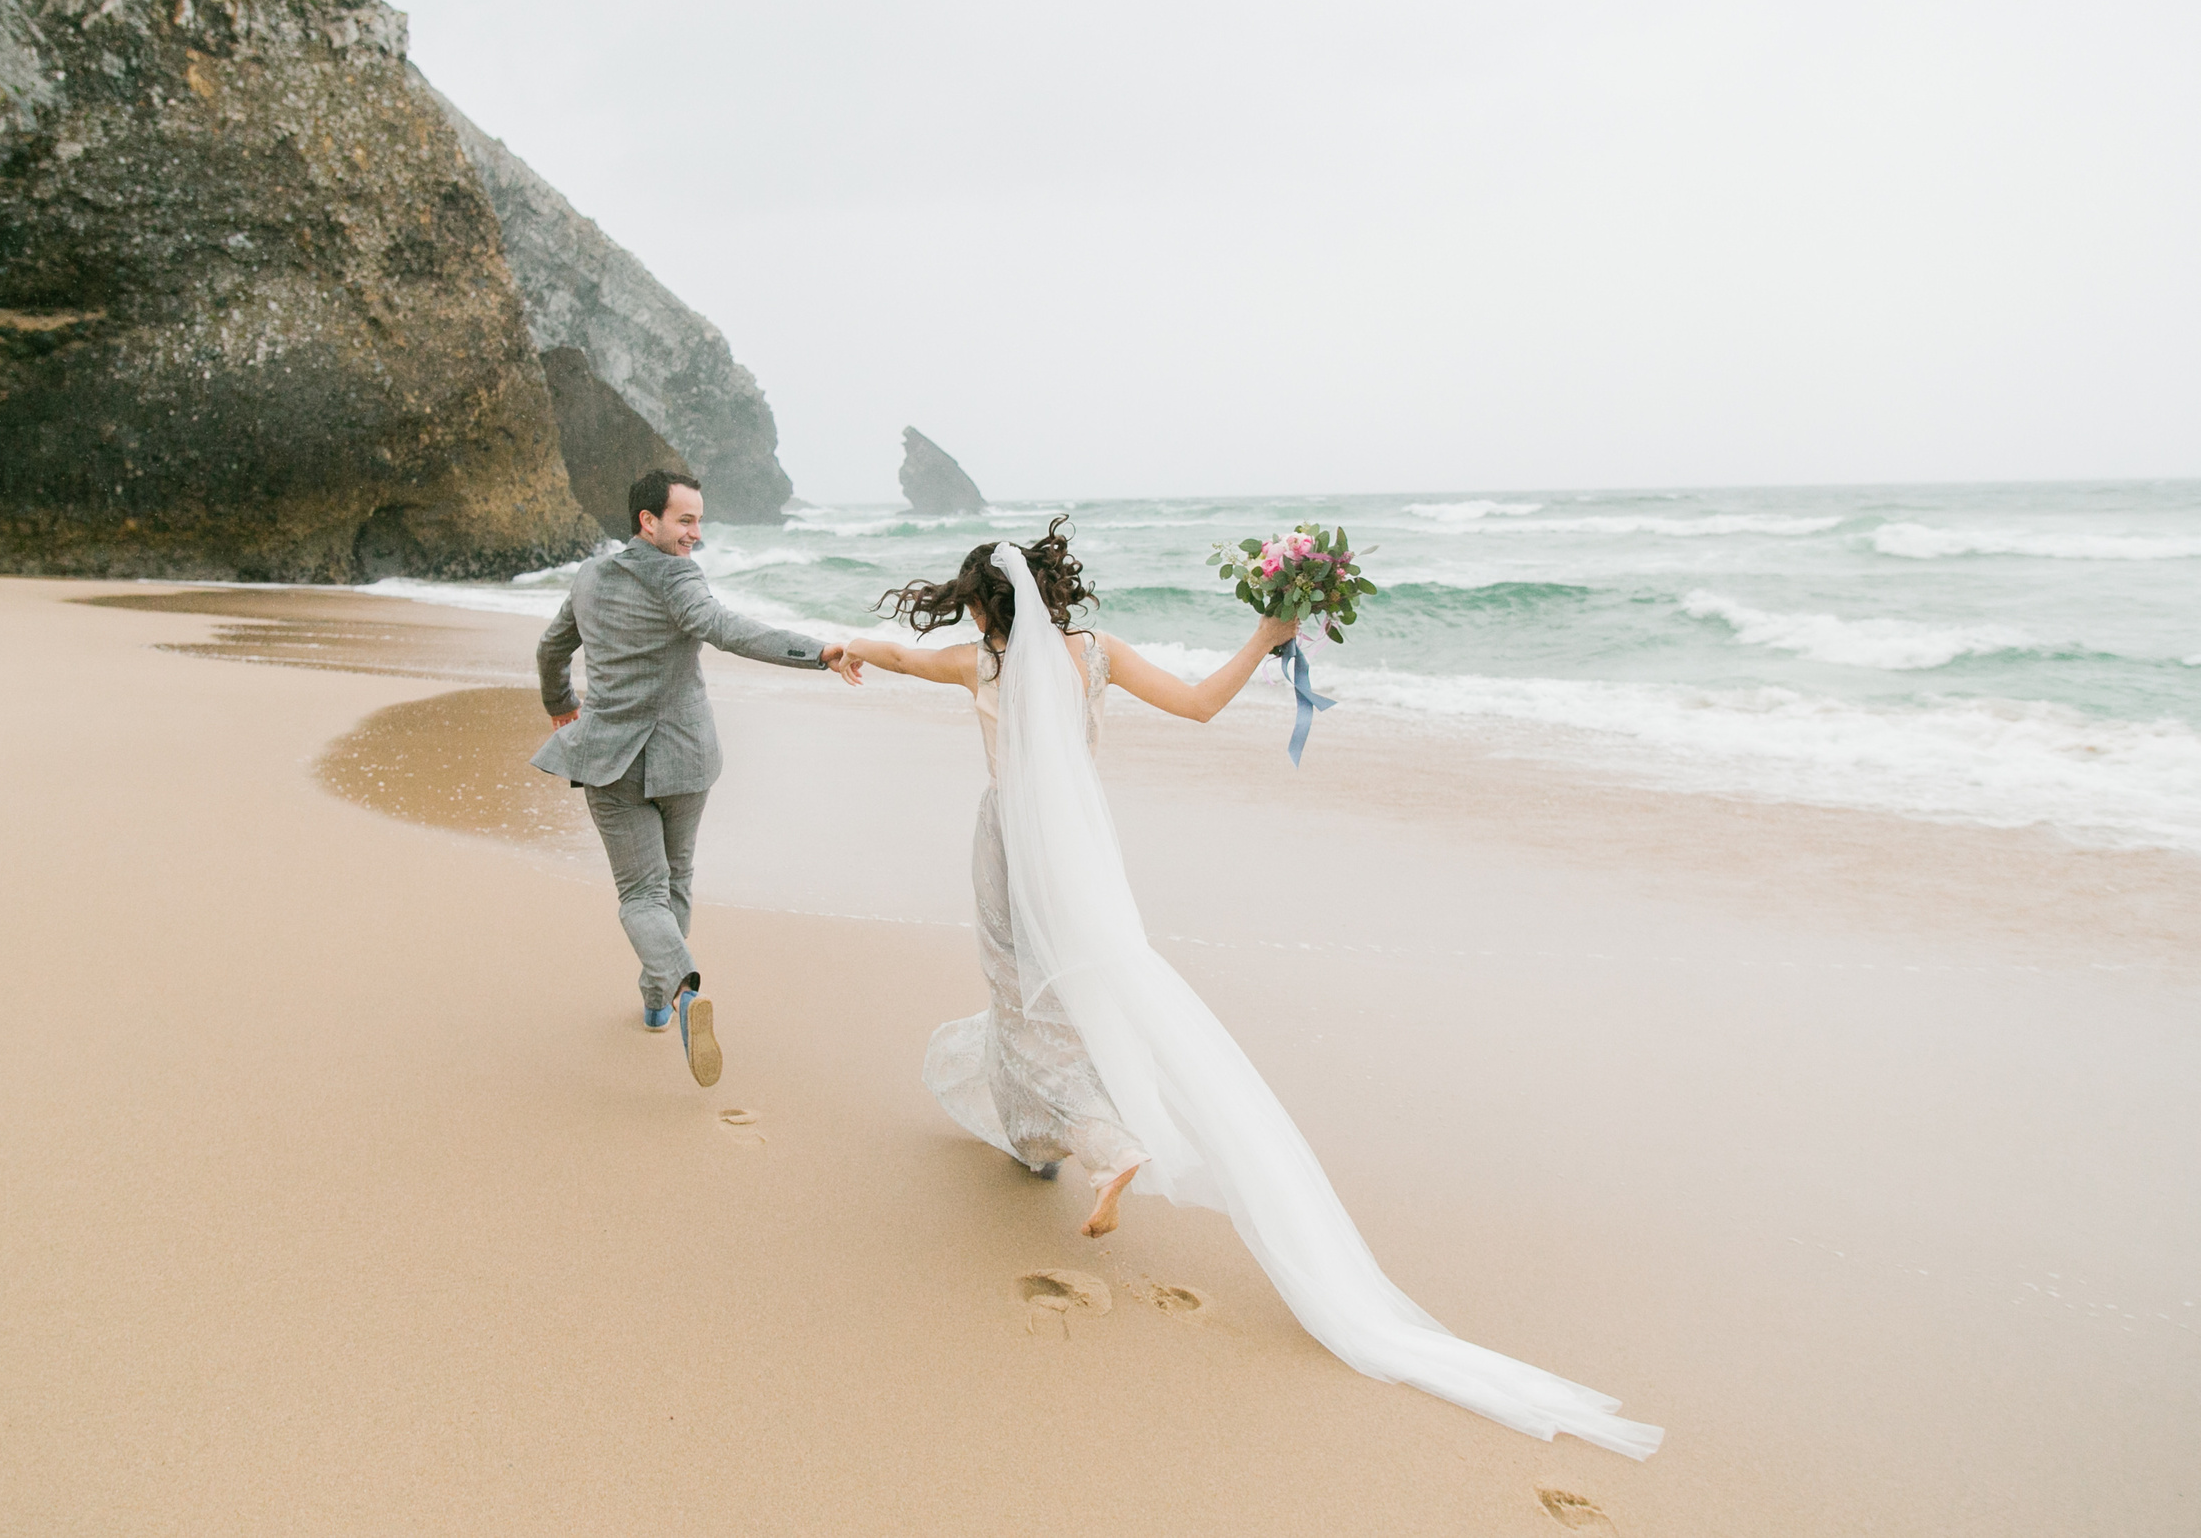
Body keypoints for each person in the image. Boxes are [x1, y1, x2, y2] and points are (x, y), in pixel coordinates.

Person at [842, 518, 1662, 1460]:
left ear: (986, 609)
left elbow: (899, 656)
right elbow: (1197, 705)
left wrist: (842, 648)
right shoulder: (1095, 654)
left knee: (1023, 997)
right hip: (1084, 855)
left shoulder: (980, 664)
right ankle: (1059, 1139)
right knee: (1076, 996)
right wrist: (1266, 635)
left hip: (1011, 845)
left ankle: (1101, 1142)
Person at [532, 470, 861, 1087]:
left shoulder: (590, 576)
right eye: (685, 520)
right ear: (648, 521)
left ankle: (675, 993)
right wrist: (818, 652)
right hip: (683, 756)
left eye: (699, 520)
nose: (696, 534)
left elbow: (552, 648)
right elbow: (728, 630)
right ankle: (664, 999)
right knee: (674, 879)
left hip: (607, 757)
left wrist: (560, 704)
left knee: (641, 893)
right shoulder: (678, 578)